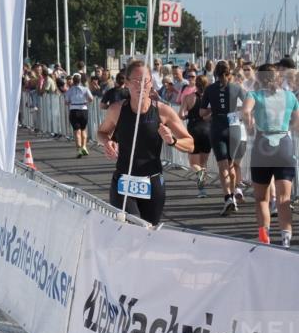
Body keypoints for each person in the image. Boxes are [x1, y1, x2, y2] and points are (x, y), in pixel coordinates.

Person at [97, 60, 193, 226]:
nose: (141, 85)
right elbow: (101, 132)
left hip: (152, 182)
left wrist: (172, 140)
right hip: (123, 181)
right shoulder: (117, 110)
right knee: (131, 228)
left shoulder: (163, 111)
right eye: (136, 81)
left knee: (148, 234)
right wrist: (107, 143)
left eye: (146, 80)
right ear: (126, 83)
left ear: (151, 83)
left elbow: (190, 143)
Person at [241, 64, 298, 247]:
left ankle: (264, 239)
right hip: (284, 145)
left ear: (258, 78)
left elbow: (245, 111)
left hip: (262, 145)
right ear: (278, 77)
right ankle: (286, 240)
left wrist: (250, 127)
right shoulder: (290, 96)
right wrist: (288, 128)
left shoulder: (254, 95)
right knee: (284, 199)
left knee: (262, 198)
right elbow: (297, 122)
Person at [199, 61, 248, 215]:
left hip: (217, 127)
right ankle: (232, 195)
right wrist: (237, 110)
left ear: (215, 73)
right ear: (229, 73)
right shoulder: (237, 87)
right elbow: (249, 105)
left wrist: (212, 111)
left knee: (222, 166)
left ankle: (228, 197)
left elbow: (201, 113)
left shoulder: (209, 89)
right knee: (232, 165)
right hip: (233, 127)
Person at [180, 75, 212, 197]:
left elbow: (181, 115)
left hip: (193, 130)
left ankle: (201, 187)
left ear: (196, 84)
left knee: (194, 163)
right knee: (203, 163)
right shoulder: (210, 98)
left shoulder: (188, 97)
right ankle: (202, 189)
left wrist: (188, 115)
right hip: (207, 130)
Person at [65, 73, 94, 157]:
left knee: (77, 131)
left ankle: (79, 149)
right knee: (83, 129)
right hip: (83, 109)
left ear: (73, 81)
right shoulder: (85, 89)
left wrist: (72, 102)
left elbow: (66, 102)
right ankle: (84, 146)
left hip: (74, 110)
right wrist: (85, 101)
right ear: (80, 81)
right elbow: (91, 98)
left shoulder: (69, 90)